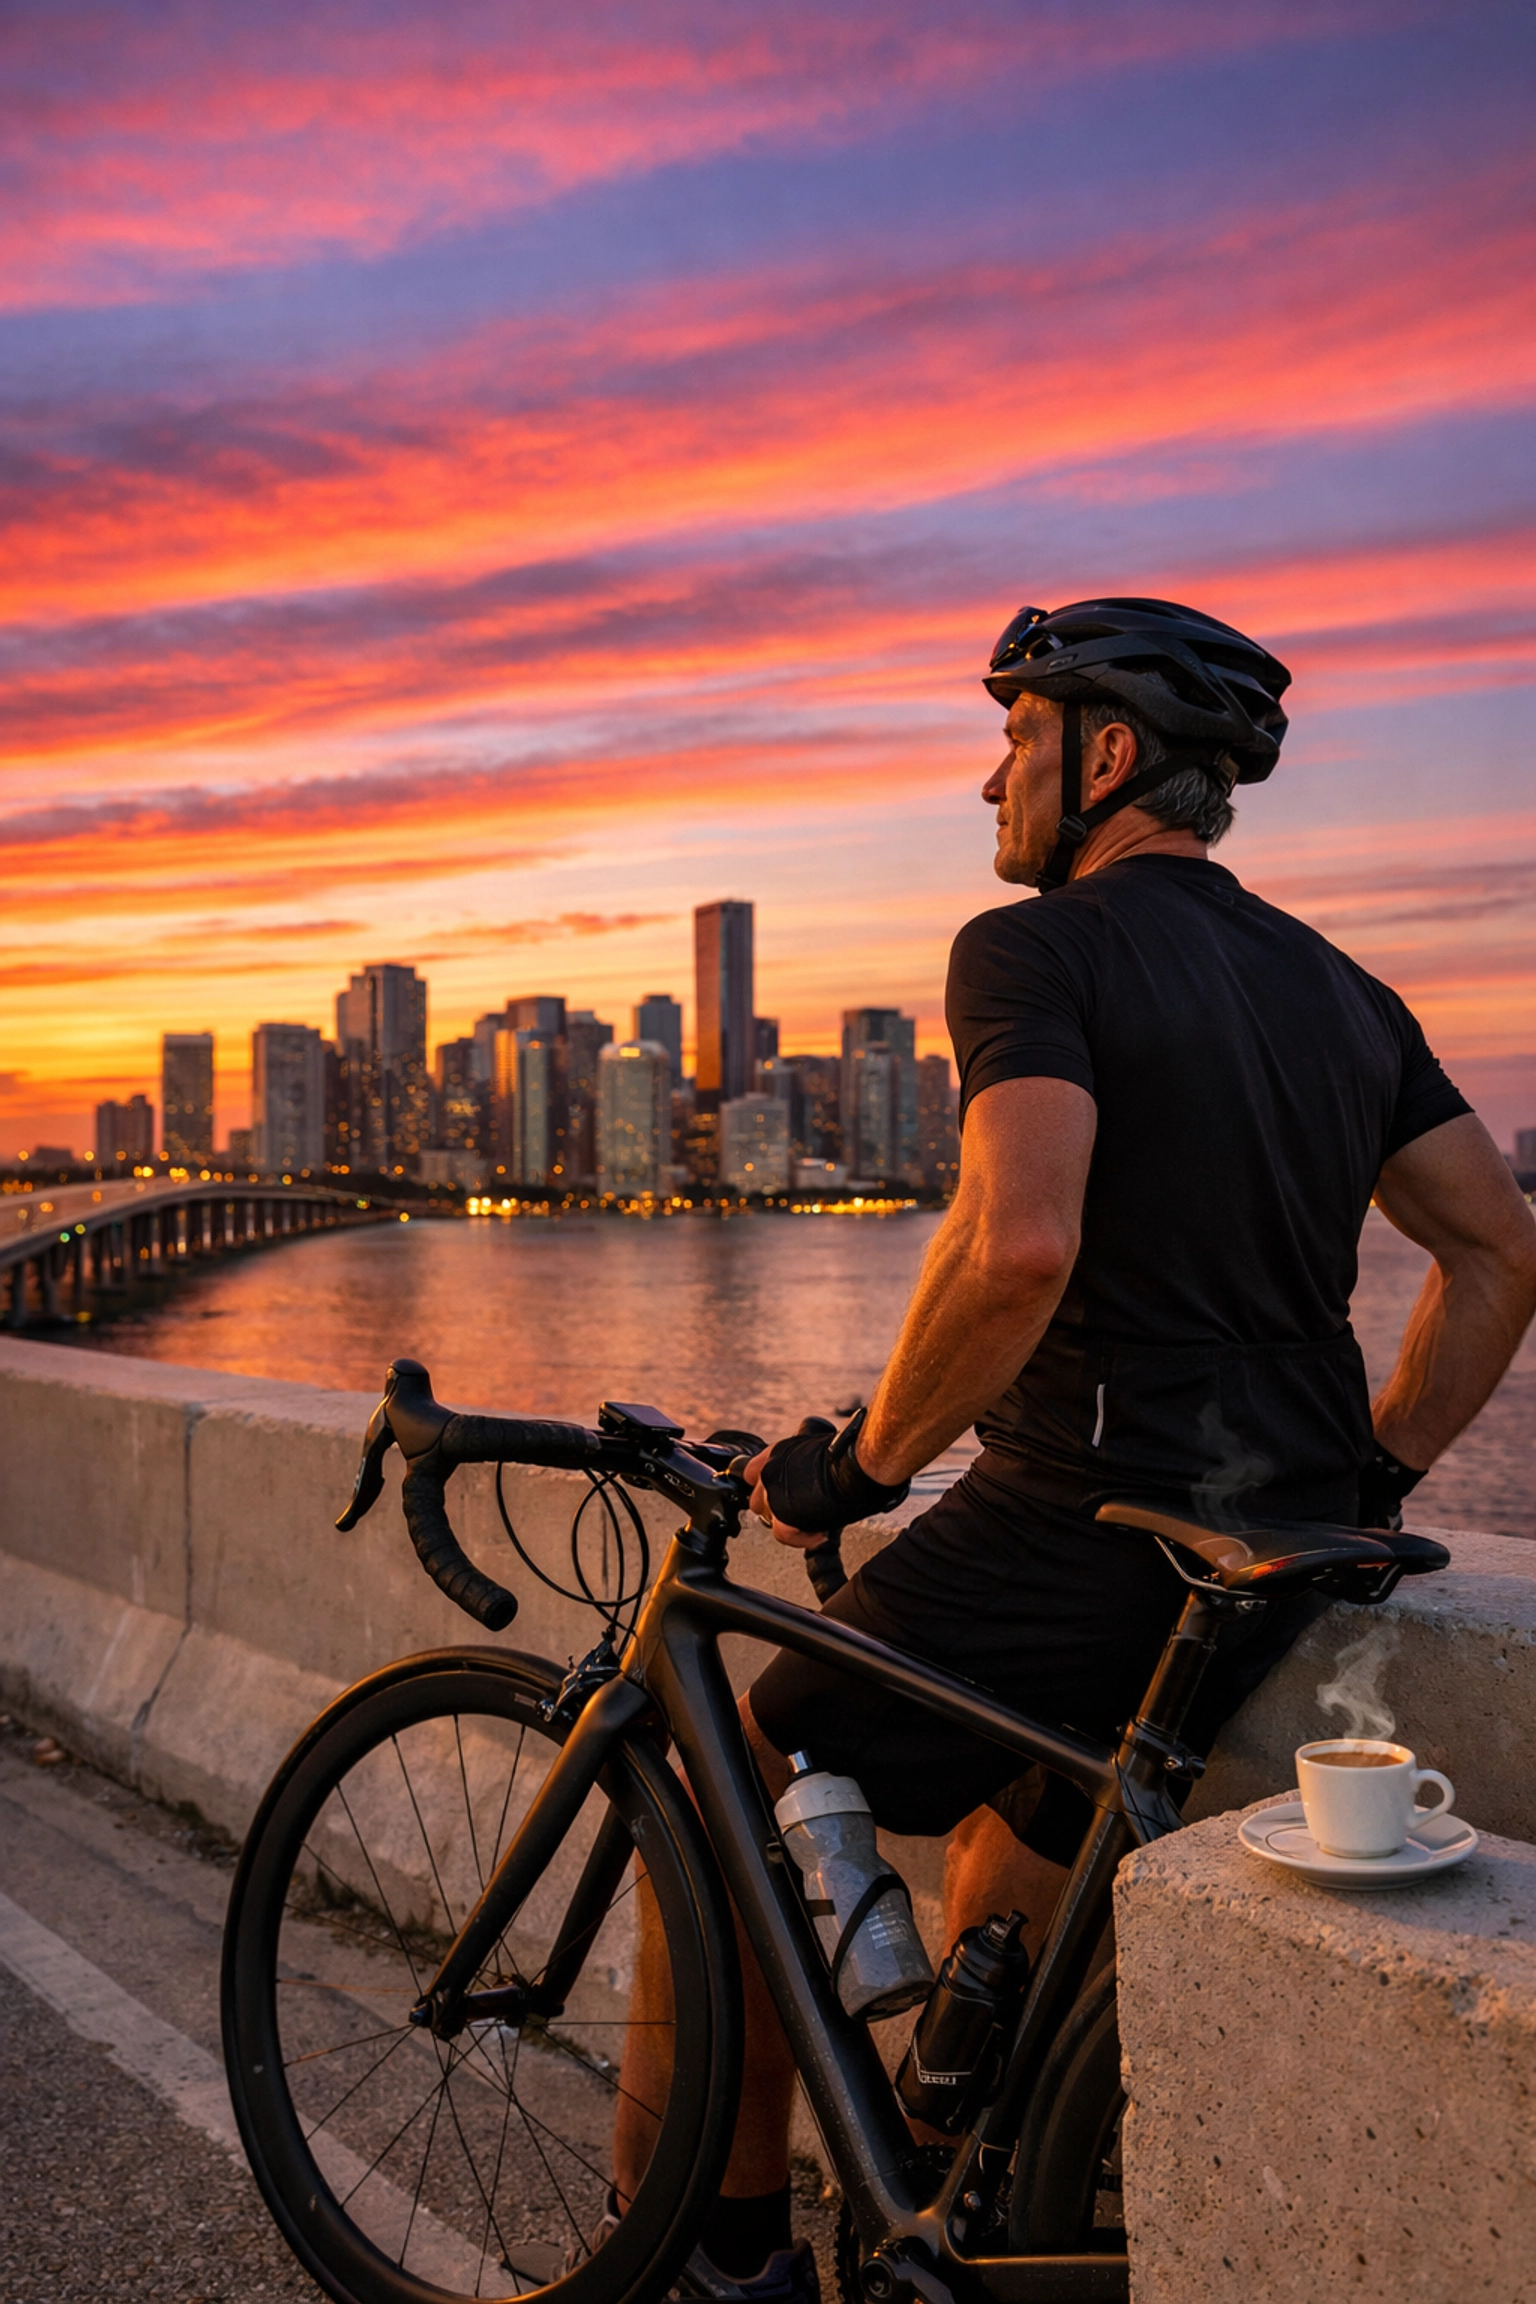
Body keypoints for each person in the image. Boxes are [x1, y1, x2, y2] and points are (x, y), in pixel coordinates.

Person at [613, 598, 1536, 2303]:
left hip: (1080, 1518)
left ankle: (720, 2267)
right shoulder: (1350, 993)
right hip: (1267, 1552)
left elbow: (1014, 1244)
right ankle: (954, 2220)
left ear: (1103, 755)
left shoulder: (1034, 951)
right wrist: (1376, 1472)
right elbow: (1500, 1254)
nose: (990, 779)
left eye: (1016, 738)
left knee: (714, 1779)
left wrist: (861, 1468)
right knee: (1001, 1865)